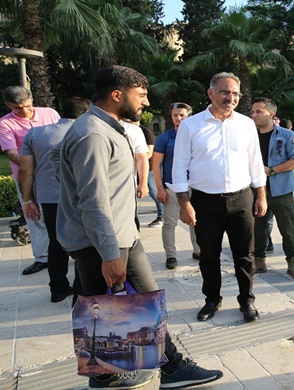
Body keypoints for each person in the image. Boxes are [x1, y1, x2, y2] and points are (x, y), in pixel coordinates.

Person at [55, 65, 223, 389]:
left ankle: (143, 368)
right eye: (141, 95)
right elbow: (92, 201)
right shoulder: (92, 134)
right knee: (104, 307)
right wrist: (109, 254)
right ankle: (110, 373)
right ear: (117, 95)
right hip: (103, 241)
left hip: (119, 235)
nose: (145, 103)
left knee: (130, 303)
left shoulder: (108, 127)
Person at [170, 72, 267, 323]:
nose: (230, 98)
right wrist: (184, 203)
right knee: (209, 254)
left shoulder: (246, 123)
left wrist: (261, 195)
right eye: (225, 92)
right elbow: (179, 166)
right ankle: (212, 299)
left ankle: (247, 299)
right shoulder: (191, 125)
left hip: (242, 198)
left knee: (245, 254)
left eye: (235, 93)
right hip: (205, 200)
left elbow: (255, 162)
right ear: (210, 93)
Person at [18, 97, 89, 303]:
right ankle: (81, 291)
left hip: (50, 198)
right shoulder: (87, 132)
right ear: (85, 113)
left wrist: (28, 199)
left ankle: (58, 289)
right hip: (79, 197)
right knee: (83, 244)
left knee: (56, 243)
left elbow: (25, 170)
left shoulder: (36, 133)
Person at [0, 86, 59, 275]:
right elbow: (11, 152)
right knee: (34, 217)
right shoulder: (5, 124)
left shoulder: (49, 113)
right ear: (8, 105)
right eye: (18, 108)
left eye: (27, 106)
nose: (24, 111)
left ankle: (67, 251)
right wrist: (31, 166)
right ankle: (43, 257)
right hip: (27, 177)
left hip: (55, 175)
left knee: (61, 213)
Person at [250, 97, 294, 280]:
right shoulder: (249, 135)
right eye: (253, 111)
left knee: (288, 228)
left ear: (271, 114)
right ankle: (259, 259)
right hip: (255, 190)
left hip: (281, 190)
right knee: (258, 227)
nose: (254, 115)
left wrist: (271, 170)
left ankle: (293, 262)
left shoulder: (287, 135)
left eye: (259, 111)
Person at [152, 102, 201, 270]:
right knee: (169, 223)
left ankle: (198, 250)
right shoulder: (164, 138)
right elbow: (156, 165)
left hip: (195, 186)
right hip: (171, 187)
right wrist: (160, 188)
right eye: (175, 115)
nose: (178, 118)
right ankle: (171, 256)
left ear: (189, 116)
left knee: (196, 221)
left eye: (182, 115)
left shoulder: (196, 136)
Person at [143, 124, 165, 227]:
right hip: (135, 167)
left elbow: (150, 152)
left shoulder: (146, 132)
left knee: (154, 192)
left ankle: (162, 216)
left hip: (148, 168)